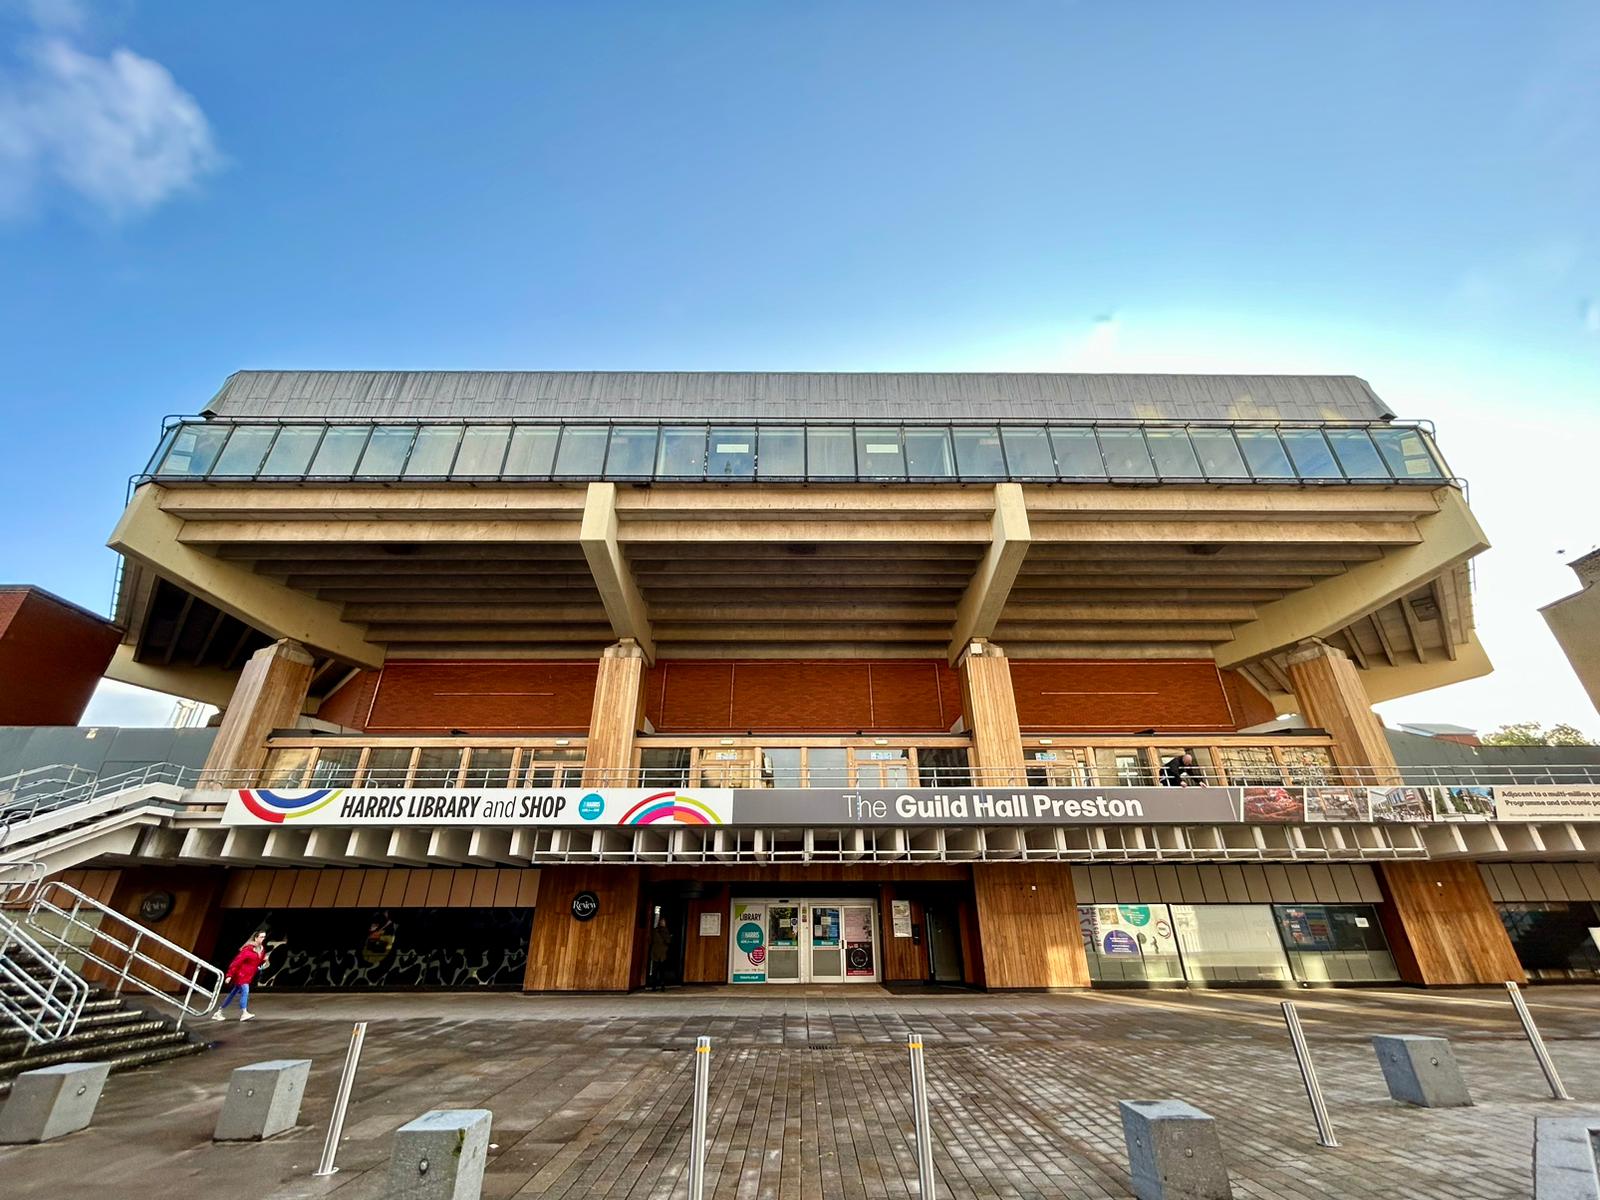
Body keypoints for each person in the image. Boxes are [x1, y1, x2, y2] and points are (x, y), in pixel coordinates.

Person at [213, 931, 269, 1022]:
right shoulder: (247, 949)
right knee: (245, 991)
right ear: (256, 938)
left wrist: (263, 960)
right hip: (241, 975)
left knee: (232, 994)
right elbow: (236, 962)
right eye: (261, 937)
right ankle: (244, 1013)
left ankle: (219, 1012)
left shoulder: (262, 950)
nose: (263, 939)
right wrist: (229, 975)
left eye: (264, 937)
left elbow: (257, 962)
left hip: (248, 976)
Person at [648, 915, 672, 991]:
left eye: (663, 921)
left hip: (658, 953)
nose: (662, 923)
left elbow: (651, 941)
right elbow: (668, 941)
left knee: (657, 971)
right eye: (662, 921)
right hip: (660, 953)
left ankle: (655, 986)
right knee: (660, 971)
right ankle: (660, 986)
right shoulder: (664, 931)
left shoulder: (656, 930)